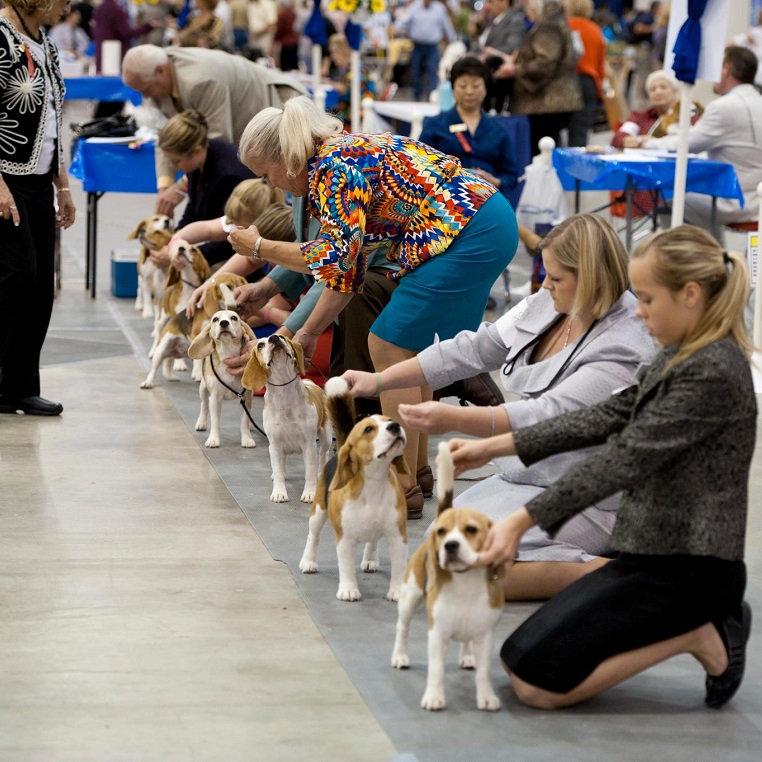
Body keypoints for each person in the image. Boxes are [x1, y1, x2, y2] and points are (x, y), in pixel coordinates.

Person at [450, 225, 755, 711]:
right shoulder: (678, 355)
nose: (638, 310)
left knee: (537, 686)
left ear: (691, 296)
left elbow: (623, 457)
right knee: (517, 656)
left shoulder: (713, 373)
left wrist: (524, 519)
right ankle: (691, 623)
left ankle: (700, 632)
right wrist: (499, 446)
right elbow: (603, 417)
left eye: (649, 299)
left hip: (691, 571)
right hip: (644, 553)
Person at [225, 95, 519, 518]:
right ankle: (414, 474)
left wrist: (259, 247)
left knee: (387, 343)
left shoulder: (334, 166)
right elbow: (348, 273)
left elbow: (332, 257)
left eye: (265, 173)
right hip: (481, 223)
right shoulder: (338, 156)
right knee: (408, 349)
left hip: (468, 230)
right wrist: (304, 333)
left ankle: (398, 481)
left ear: (285, 158)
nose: (269, 184)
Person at [340, 214, 655, 594]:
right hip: (528, 475)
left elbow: (549, 415)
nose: (544, 285)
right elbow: (472, 349)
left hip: (592, 496)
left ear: (590, 278)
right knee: (441, 556)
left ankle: (623, 573)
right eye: (546, 274)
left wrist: (455, 420)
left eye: (556, 278)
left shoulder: (623, 345)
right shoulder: (547, 302)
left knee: (472, 573)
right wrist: (378, 380)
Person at [120, 44, 306, 216]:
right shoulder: (157, 75)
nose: (145, 96)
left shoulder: (201, 80)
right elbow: (165, 138)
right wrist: (164, 191)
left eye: (145, 89)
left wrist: (178, 191)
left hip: (278, 102)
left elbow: (216, 144)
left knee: (280, 183)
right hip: (242, 118)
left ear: (160, 72)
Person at [0, 0, 77, 417]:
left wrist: (62, 185)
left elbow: (53, 118)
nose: (68, 5)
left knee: (39, 288)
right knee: (16, 274)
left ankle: (18, 386)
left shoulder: (45, 43)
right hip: (4, 177)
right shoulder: (1, 39)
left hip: (38, 179)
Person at [644, 47, 762, 236]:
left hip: (738, 203)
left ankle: (704, 262)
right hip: (756, 200)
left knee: (671, 203)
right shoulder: (758, 100)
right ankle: (714, 259)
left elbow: (682, 145)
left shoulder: (723, 107)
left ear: (726, 70)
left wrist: (646, 143)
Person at [153, 110, 256, 269]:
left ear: (197, 151)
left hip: (241, 251)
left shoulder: (229, 176)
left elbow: (231, 240)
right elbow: (194, 206)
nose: (173, 167)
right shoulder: (198, 161)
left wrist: (183, 255)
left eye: (176, 162)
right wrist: (174, 240)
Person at [487, 0, 583, 154]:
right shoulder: (552, 22)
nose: (526, 13)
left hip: (545, 103)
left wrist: (514, 69)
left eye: (527, 8)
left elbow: (545, 63)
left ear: (535, 6)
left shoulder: (548, 25)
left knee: (542, 153)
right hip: (546, 103)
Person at [419, 56, 519, 199]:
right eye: (463, 85)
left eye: (476, 85)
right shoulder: (435, 125)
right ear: (453, 88)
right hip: (444, 198)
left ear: (485, 89)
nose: (469, 91)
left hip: (487, 199)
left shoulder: (499, 131)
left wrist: (496, 181)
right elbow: (420, 166)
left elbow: (511, 175)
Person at [611, 69, 702, 218]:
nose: (657, 92)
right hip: (645, 179)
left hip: (680, 179)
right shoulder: (639, 117)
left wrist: (651, 142)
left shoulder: (688, 115)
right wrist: (637, 141)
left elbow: (695, 139)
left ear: (674, 91)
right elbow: (619, 138)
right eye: (652, 89)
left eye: (663, 87)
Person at [394, 0, 457, 102]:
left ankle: (432, 97)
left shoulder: (439, 8)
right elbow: (404, 21)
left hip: (432, 46)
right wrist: (397, 27)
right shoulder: (414, 7)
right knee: (415, 72)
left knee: (433, 72)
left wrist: (453, 40)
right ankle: (417, 97)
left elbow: (447, 26)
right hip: (417, 46)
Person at [565, 0, 607, 148]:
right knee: (580, 133)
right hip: (588, 83)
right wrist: (600, 90)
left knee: (555, 130)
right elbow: (601, 64)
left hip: (565, 82)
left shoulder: (563, 26)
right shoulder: (595, 30)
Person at [477, 0, 526, 114]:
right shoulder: (490, 21)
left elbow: (512, 48)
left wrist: (492, 53)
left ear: (504, 2)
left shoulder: (515, 20)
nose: (487, 6)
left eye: (491, 2)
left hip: (500, 78)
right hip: (486, 76)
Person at [327, 32, 376, 128]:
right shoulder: (350, 69)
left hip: (356, 119)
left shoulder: (356, 70)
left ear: (343, 51)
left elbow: (346, 92)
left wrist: (332, 85)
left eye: (334, 52)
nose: (332, 57)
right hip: (351, 116)